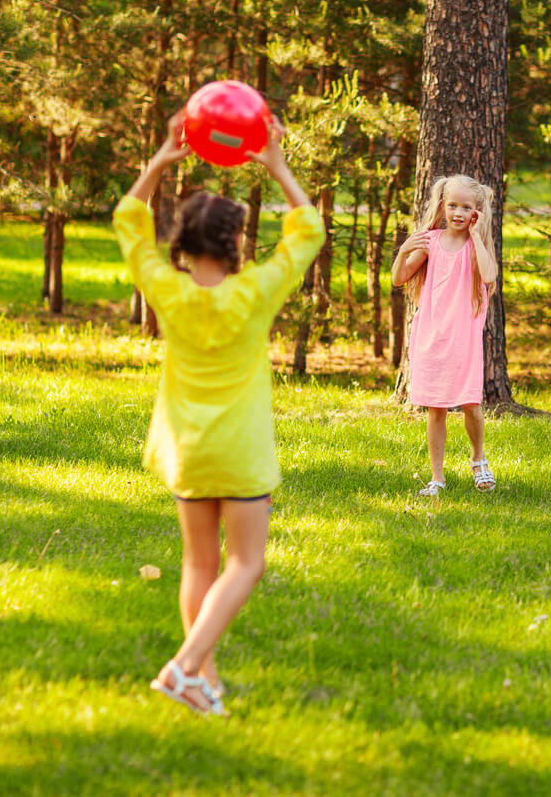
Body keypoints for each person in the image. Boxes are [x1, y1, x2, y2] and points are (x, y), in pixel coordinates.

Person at [113, 111, 323, 714]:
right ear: (235, 244)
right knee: (246, 564)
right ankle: (182, 668)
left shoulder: (166, 289)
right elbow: (308, 235)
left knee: (199, 564)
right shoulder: (254, 292)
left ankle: (205, 683)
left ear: (180, 242)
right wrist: (277, 165)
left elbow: (128, 224)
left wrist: (159, 161)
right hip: (240, 450)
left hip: (186, 449)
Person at [390, 175, 499, 496]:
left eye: (466, 207)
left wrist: (478, 236)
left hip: (463, 338)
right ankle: (437, 477)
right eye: (453, 205)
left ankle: (478, 458)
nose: (458, 212)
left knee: (470, 404)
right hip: (432, 336)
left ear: (477, 212)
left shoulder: (476, 247)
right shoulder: (431, 242)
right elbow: (399, 278)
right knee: (435, 408)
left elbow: (490, 275)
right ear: (443, 206)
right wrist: (404, 250)